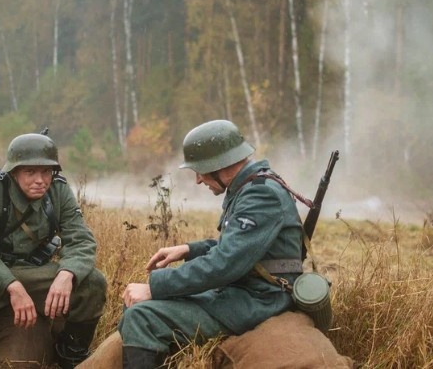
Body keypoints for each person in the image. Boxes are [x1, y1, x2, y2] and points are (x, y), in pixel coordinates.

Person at [118, 119, 305, 368]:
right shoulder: (250, 187)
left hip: (258, 301)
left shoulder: (261, 193)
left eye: (200, 170)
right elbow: (237, 247)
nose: (197, 180)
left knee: (141, 318)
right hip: (246, 290)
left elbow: (225, 264)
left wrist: (154, 288)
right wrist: (188, 249)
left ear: (219, 164)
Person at [0, 132, 107, 368]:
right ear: (13, 171)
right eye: (30, 172)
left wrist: (68, 273)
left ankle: (71, 356)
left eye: (46, 171)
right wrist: (10, 285)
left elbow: (81, 240)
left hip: (35, 273)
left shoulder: (58, 190)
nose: (40, 180)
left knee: (93, 283)